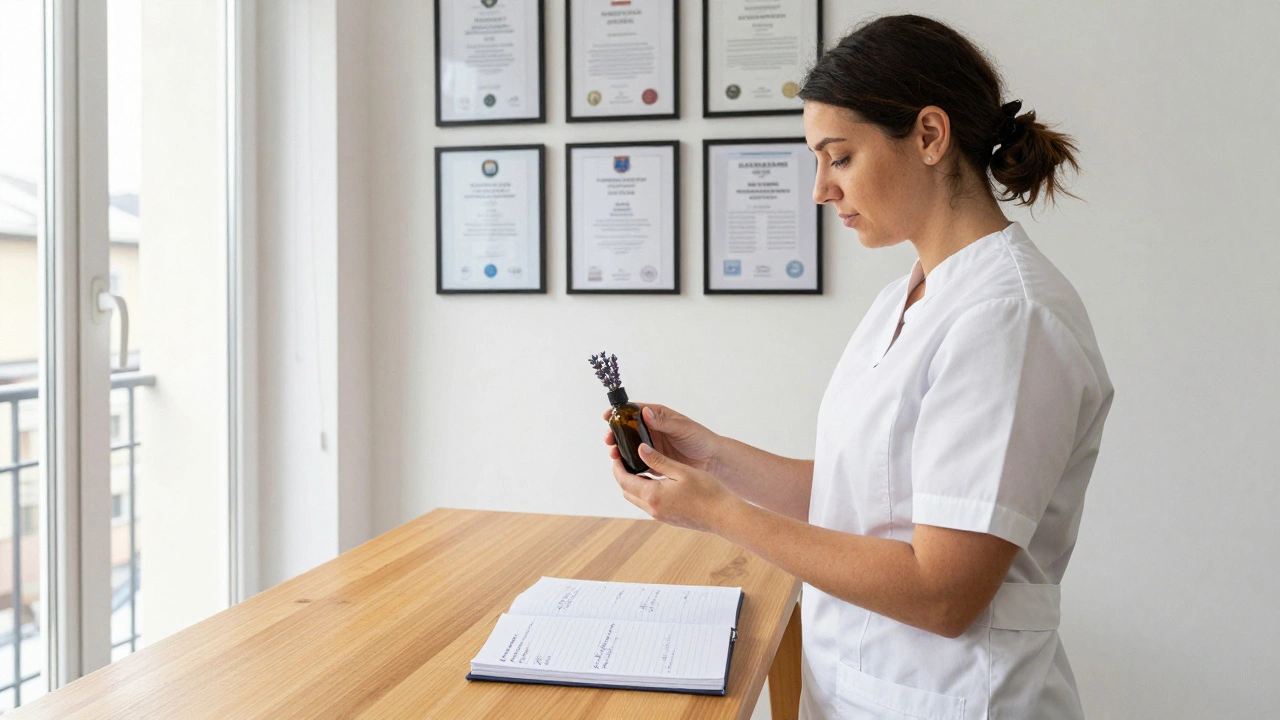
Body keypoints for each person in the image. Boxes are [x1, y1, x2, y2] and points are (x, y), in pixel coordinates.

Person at [603, 14, 1114, 720]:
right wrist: (715, 461)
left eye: (838, 157)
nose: (820, 188)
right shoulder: (908, 296)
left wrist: (719, 515)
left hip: (952, 700)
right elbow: (867, 497)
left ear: (930, 136)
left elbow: (944, 592)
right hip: (861, 690)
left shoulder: (1009, 319)